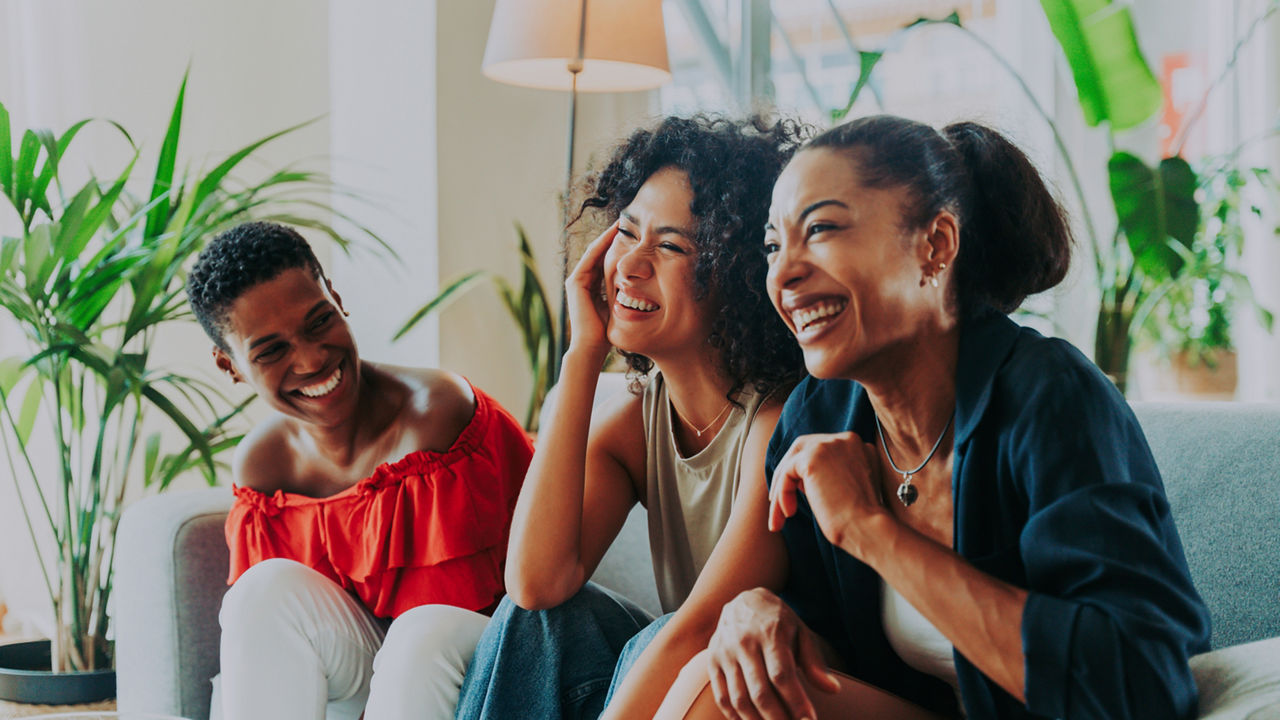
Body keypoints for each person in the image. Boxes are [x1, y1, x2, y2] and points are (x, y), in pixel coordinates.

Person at [651, 115, 1212, 720]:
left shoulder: (1051, 398)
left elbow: (1146, 686)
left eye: (820, 230)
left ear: (936, 245)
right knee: (726, 681)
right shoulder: (821, 417)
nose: (783, 274)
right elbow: (827, 639)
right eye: (772, 245)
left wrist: (872, 530)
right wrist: (760, 617)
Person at [454, 115, 811, 720]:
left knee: (664, 635)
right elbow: (536, 585)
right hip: (683, 671)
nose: (631, 264)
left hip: (770, 685)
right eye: (626, 230)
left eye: (671, 246)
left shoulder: (776, 422)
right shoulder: (633, 420)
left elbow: (700, 629)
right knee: (541, 622)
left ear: (742, 276)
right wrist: (582, 354)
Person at [185, 221, 534, 720]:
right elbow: (278, 646)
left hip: (486, 663)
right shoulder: (264, 468)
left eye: (318, 322)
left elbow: (516, 600)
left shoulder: (436, 415)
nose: (310, 359)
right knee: (258, 592)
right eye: (271, 350)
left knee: (421, 633)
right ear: (231, 366)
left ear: (338, 299)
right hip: (377, 674)